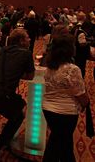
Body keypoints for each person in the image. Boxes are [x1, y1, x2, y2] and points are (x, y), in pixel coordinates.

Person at [0, 29, 35, 161]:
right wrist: (17, 72)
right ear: (21, 41)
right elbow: (30, 76)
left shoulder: (4, 49)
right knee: (18, 115)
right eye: (27, 38)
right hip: (0, 93)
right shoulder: (26, 54)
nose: (30, 39)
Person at [42, 34, 89, 162]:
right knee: (59, 143)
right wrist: (86, 103)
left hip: (48, 109)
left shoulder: (49, 67)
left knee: (62, 141)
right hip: (65, 112)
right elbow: (81, 95)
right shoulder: (72, 69)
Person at [72, 13, 92, 78]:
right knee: (81, 68)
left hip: (74, 51)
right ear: (84, 18)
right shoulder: (81, 29)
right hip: (80, 53)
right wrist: (89, 42)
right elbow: (82, 44)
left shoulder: (74, 27)